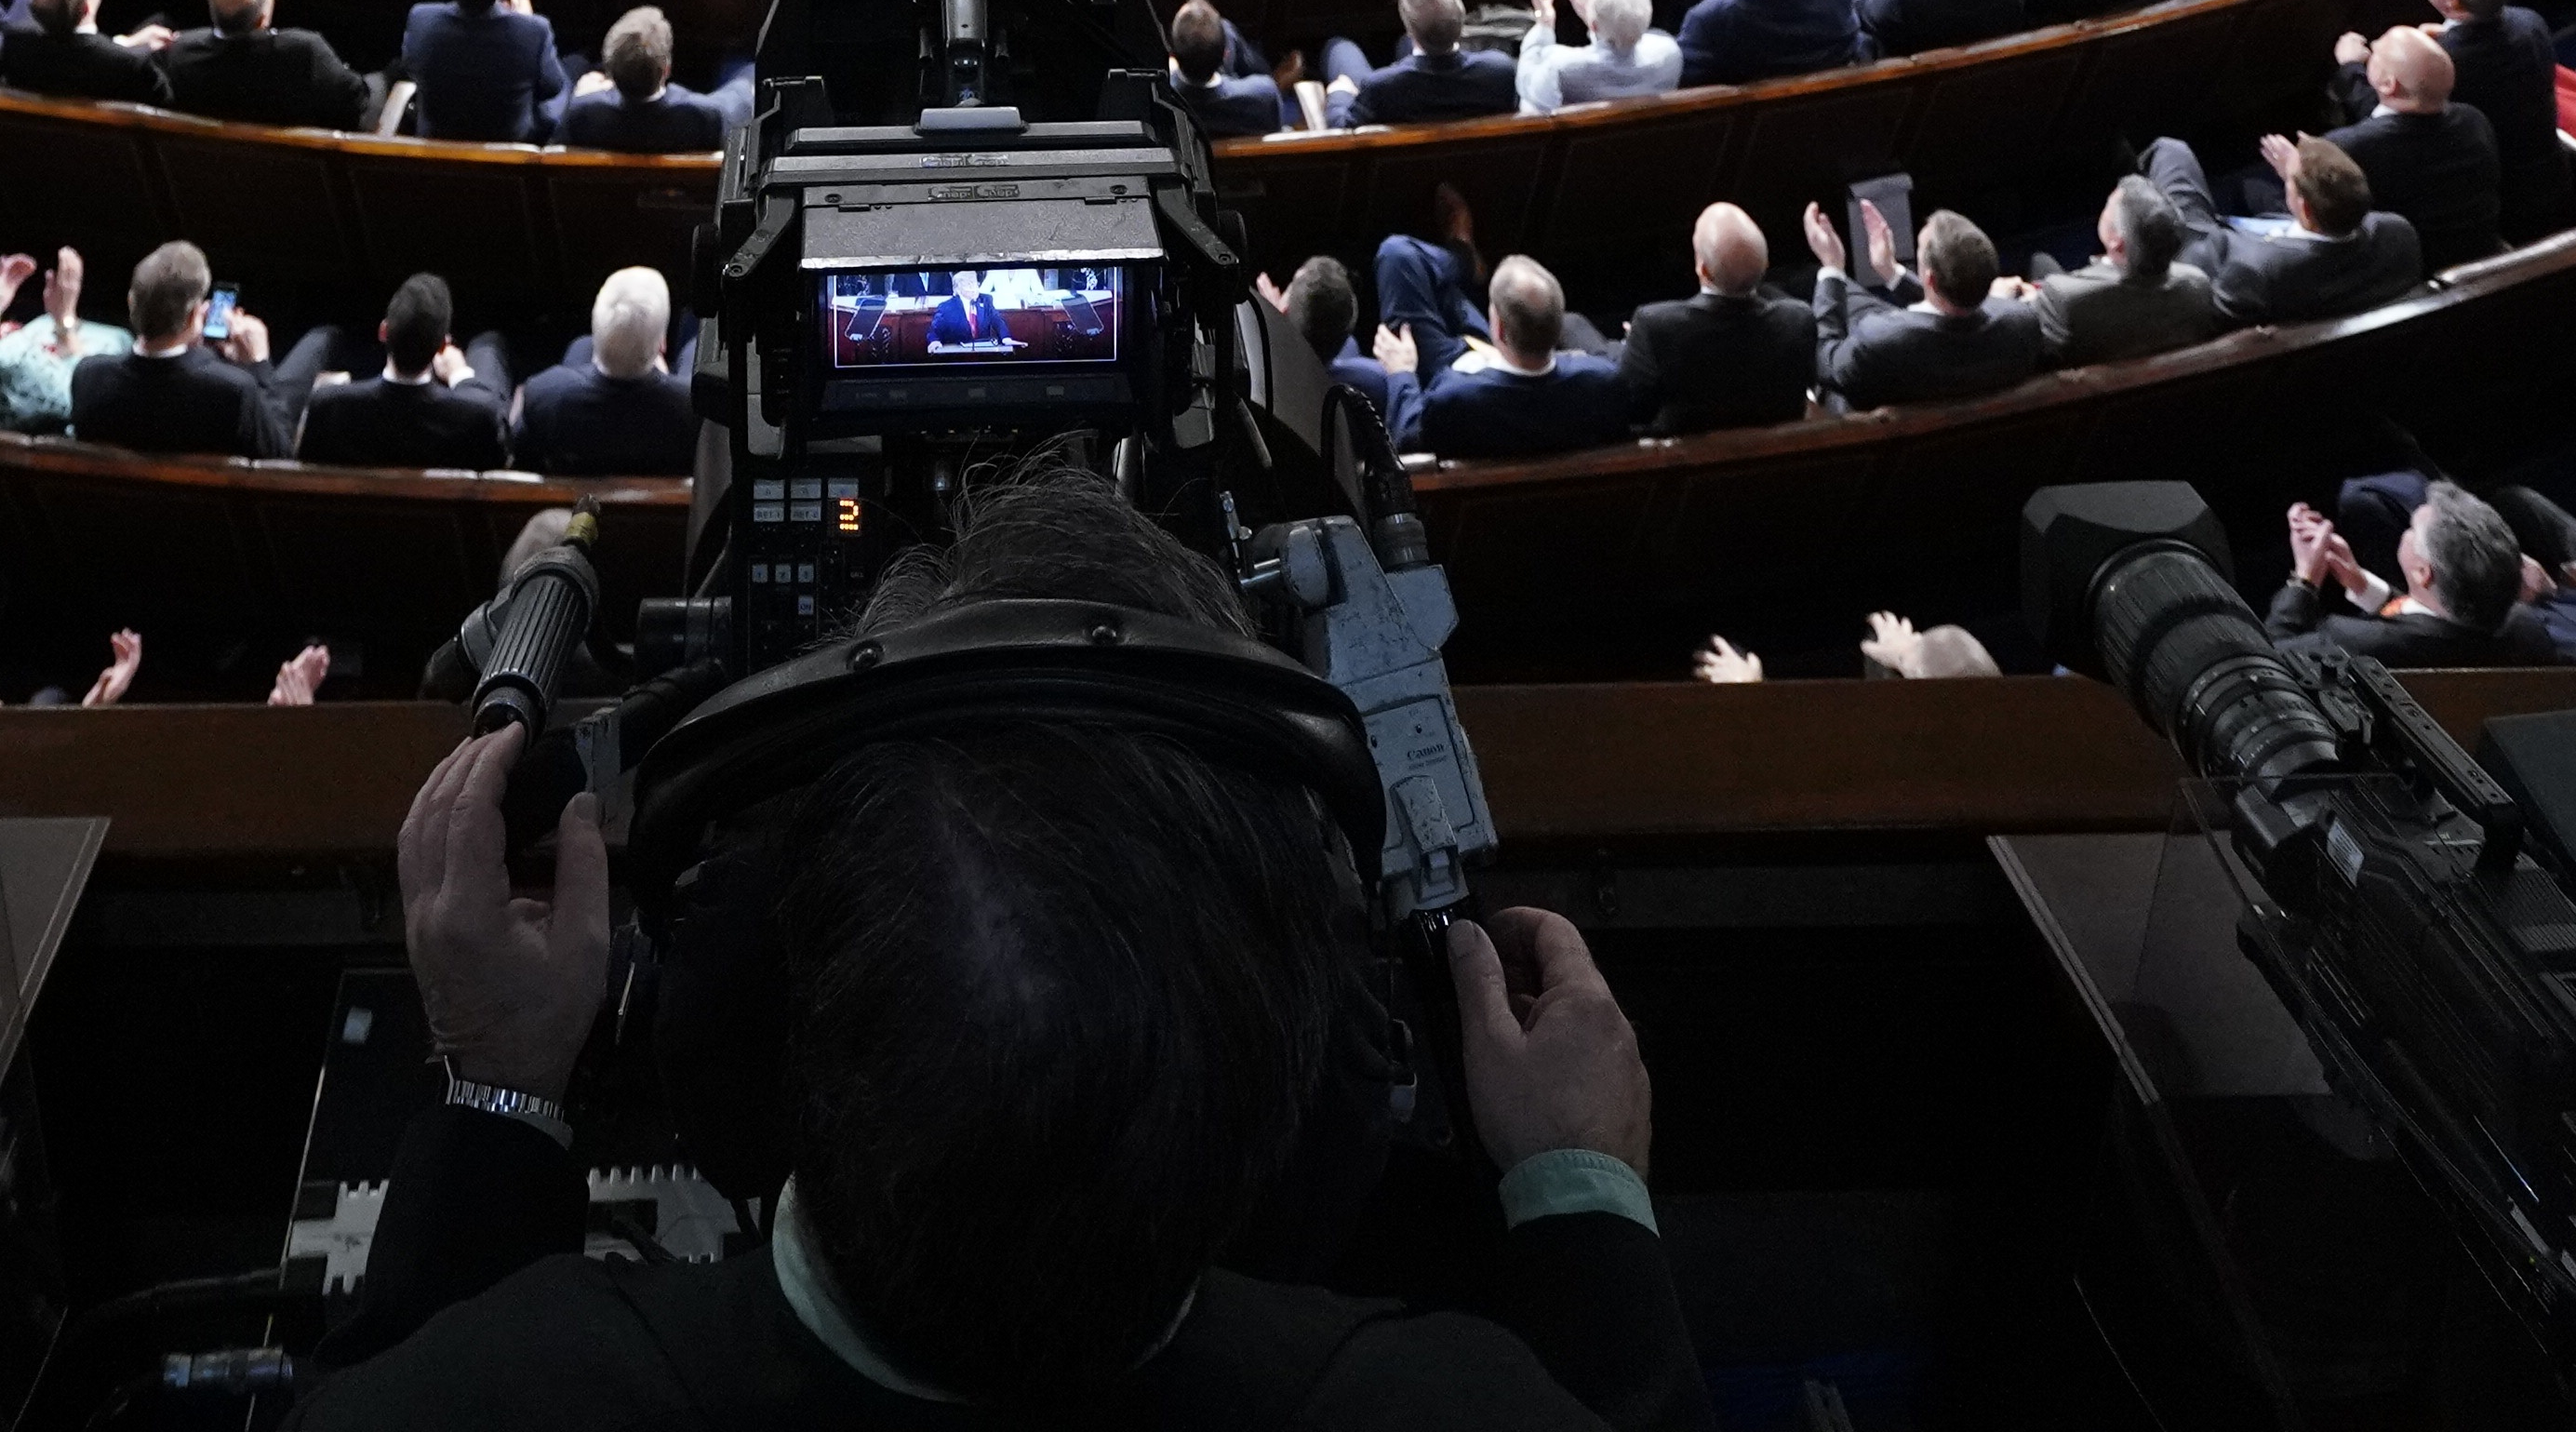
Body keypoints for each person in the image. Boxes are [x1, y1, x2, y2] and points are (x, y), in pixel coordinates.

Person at [306, 462, 1688, 1424]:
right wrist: (1580, 1196)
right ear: (1307, 1066)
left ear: (745, 1033)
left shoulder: (479, 1399)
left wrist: (497, 1089)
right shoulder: (1458, 1405)